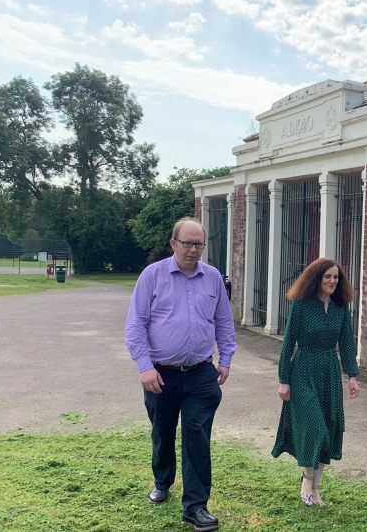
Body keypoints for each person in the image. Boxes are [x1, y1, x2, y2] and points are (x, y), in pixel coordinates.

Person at [125, 217, 236, 532]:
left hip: (202, 373)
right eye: (188, 243)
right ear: (174, 244)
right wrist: (145, 367)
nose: (194, 249)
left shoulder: (213, 278)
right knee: (162, 431)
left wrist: (225, 358)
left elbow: (224, 322)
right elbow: (136, 325)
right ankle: (162, 480)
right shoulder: (153, 276)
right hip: (161, 374)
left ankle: (196, 507)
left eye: (199, 243)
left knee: (196, 436)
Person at [271, 257, 360, 506]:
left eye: (336, 277)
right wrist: (283, 380)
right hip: (303, 370)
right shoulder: (301, 305)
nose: (332, 281)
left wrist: (352, 375)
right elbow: (288, 344)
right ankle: (307, 479)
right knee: (315, 427)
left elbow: (347, 344)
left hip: (329, 371)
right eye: (327, 276)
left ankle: (316, 487)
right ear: (317, 278)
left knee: (329, 428)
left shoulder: (341, 308)